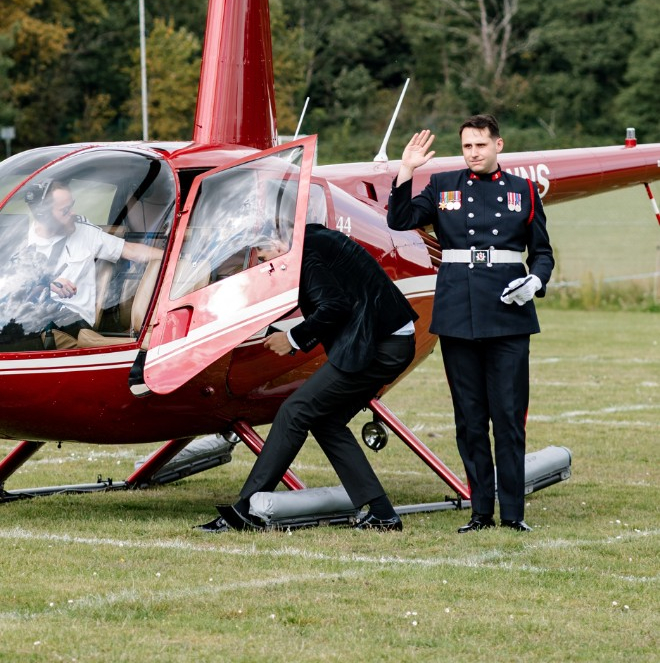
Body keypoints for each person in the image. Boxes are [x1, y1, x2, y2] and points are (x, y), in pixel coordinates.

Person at [387, 115, 554, 533]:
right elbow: (399, 219)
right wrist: (406, 170)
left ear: (499, 144)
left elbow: (542, 252)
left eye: (480, 145)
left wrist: (535, 280)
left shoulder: (523, 190)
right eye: (467, 146)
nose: (474, 153)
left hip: (508, 313)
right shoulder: (442, 185)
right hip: (458, 313)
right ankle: (480, 512)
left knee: (509, 417)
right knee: (470, 419)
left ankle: (513, 514)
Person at [196, 222, 418, 533]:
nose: (264, 265)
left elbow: (334, 306)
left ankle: (244, 511)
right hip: (386, 340)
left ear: (277, 243)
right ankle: (382, 513)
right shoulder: (309, 240)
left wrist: (293, 339)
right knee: (325, 421)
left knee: (294, 411)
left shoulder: (305, 252)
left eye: (263, 257)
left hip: (379, 345)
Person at [21, 178, 163, 348]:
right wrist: (45, 282)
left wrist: (178, 256)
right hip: (31, 314)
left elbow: (131, 250)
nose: (72, 213)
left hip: (71, 320)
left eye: (71, 206)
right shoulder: (21, 240)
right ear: (44, 216)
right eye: (65, 211)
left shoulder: (84, 232)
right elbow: (11, 287)